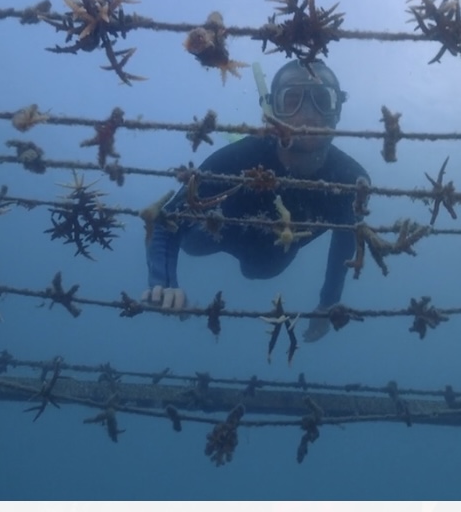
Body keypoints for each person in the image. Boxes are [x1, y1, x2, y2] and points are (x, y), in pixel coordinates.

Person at [142, 59, 370, 342]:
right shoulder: (234, 161)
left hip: (272, 257)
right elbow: (167, 222)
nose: (308, 113)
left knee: (260, 270)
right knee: (192, 243)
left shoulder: (351, 181)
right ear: (273, 111)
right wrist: (164, 284)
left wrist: (328, 303)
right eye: (292, 100)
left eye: (323, 100)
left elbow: (345, 239)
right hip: (214, 233)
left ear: (338, 111)